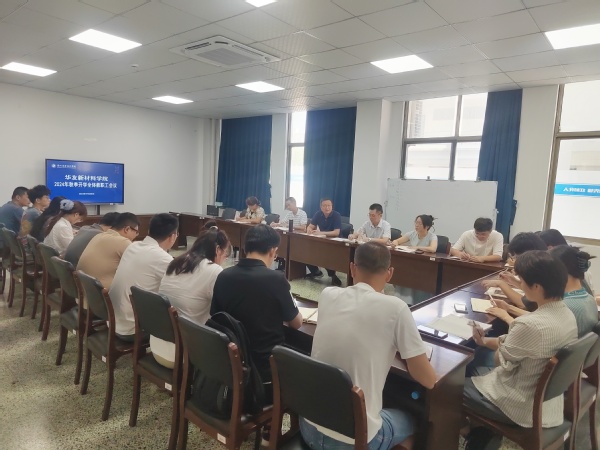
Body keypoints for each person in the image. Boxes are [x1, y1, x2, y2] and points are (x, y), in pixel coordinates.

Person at [300, 242, 436, 450]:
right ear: (389, 274)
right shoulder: (396, 308)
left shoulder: (328, 294)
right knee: (413, 420)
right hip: (354, 442)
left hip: (308, 427)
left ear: (352, 268)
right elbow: (428, 380)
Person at [463, 251, 577, 450]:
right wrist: (484, 342)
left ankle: (472, 434)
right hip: (548, 404)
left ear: (537, 287)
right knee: (474, 369)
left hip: (520, 406)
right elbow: (518, 346)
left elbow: (500, 360)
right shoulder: (568, 315)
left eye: (522, 281)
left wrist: (495, 343)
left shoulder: (530, 324)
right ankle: (482, 437)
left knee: (448, 387)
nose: (521, 286)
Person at [211, 224, 301, 403]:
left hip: (232, 364)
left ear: (245, 248)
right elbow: (296, 323)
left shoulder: (224, 276)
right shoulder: (276, 279)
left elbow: (216, 316)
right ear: (273, 251)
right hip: (265, 370)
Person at [154, 228, 231, 368]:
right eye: (226, 253)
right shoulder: (214, 270)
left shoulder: (177, 262)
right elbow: (225, 310)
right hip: (185, 353)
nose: (225, 258)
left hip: (157, 345)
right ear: (217, 250)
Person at [487, 246, 598, 337]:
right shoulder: (587, 298)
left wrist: (506, 315)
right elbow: (542, 318)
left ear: (559, 271)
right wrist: (508, 308)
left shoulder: (566, 306)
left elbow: (538, 324)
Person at [109, 214, 179, 341]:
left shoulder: (133, 246)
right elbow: (181, 288)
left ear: (149, 230)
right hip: (132, 328)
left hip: (112, 320)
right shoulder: (162, 258)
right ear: (173, 236)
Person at [76, 212, 139, 289]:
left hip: (85, 289)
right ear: (127, 229)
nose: (136, 235)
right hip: (102, 292)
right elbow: (139, 265)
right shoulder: (123, 241)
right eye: (136, 232)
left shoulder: (99, 235)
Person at [306, 198, 343, 286]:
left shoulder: (336, 215)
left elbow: (336, 232)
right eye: (325, 206)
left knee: (326, 255)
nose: (327, 208)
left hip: (335, 242)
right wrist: (309, 229)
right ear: (321, 207)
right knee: (306, 251)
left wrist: (321, 233)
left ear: (332, 206)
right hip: (323, 240)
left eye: (329, 205)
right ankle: (316, 271)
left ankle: (332, 275)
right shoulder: (318, 214)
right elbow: (310, 226)